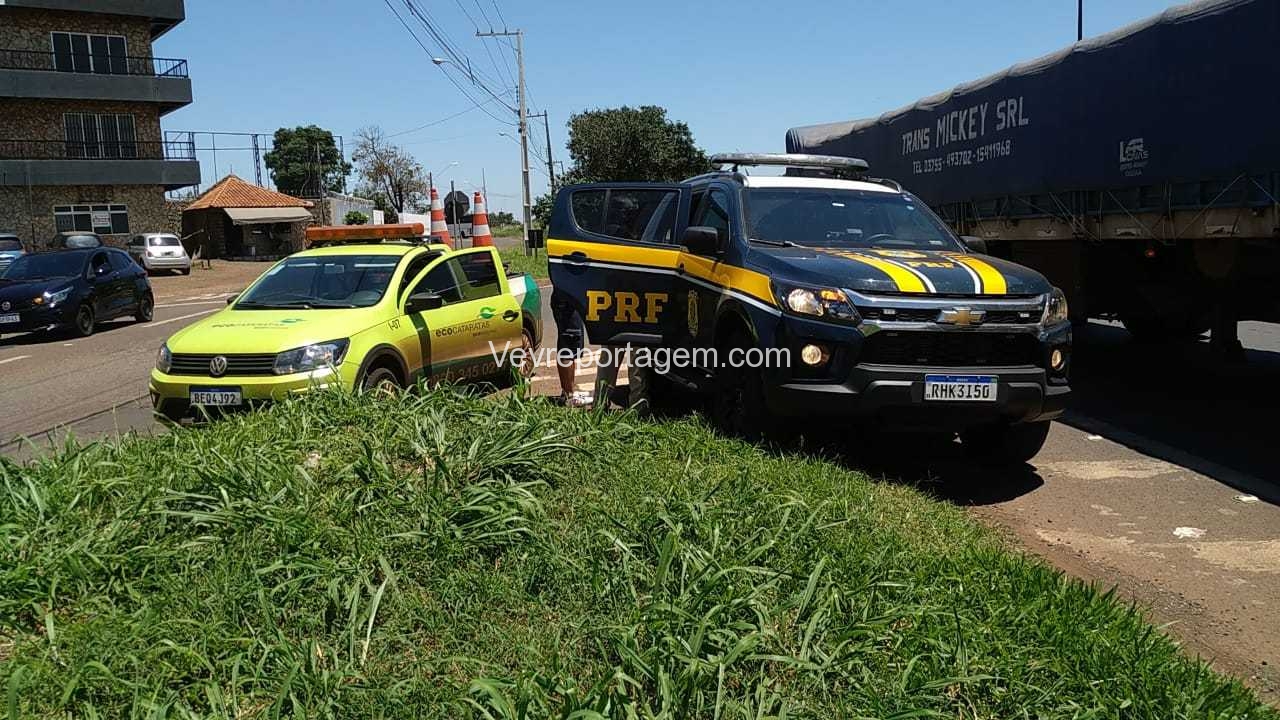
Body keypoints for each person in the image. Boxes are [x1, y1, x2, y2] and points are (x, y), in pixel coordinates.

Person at [551, 288, 593, 407]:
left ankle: (569, 392)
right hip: (567, 300)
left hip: (568, 299)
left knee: (570, 344)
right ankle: (569, 396)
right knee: (569, 346)